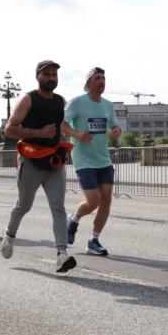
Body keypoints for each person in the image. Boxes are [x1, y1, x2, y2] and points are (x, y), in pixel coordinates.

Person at [1, 60, 76, 274]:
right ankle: (9, 235)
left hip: (54, 163)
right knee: (23, 206)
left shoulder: (61, 101)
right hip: (31, 161)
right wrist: (38, 133)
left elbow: (60, 129)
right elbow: (9, 130)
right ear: (38, 76)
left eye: (54, 74)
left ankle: (61, 255)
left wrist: (66, 144)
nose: (51, 77)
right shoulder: (28, 99)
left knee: (58, 207)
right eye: (47, 74)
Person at [65, 67, 123, 257]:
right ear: (89, 82)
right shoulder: (77, 103)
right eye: (97, 78)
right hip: (83, 159)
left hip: (103, 158)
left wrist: (116, 132)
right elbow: (61, 123)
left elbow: (114, 126)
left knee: (106, 198)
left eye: (104, 78)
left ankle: (93, 240)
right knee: (94, 200)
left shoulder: (107, 105)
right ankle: (73, 219)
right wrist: (77, 134)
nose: (102, 81)